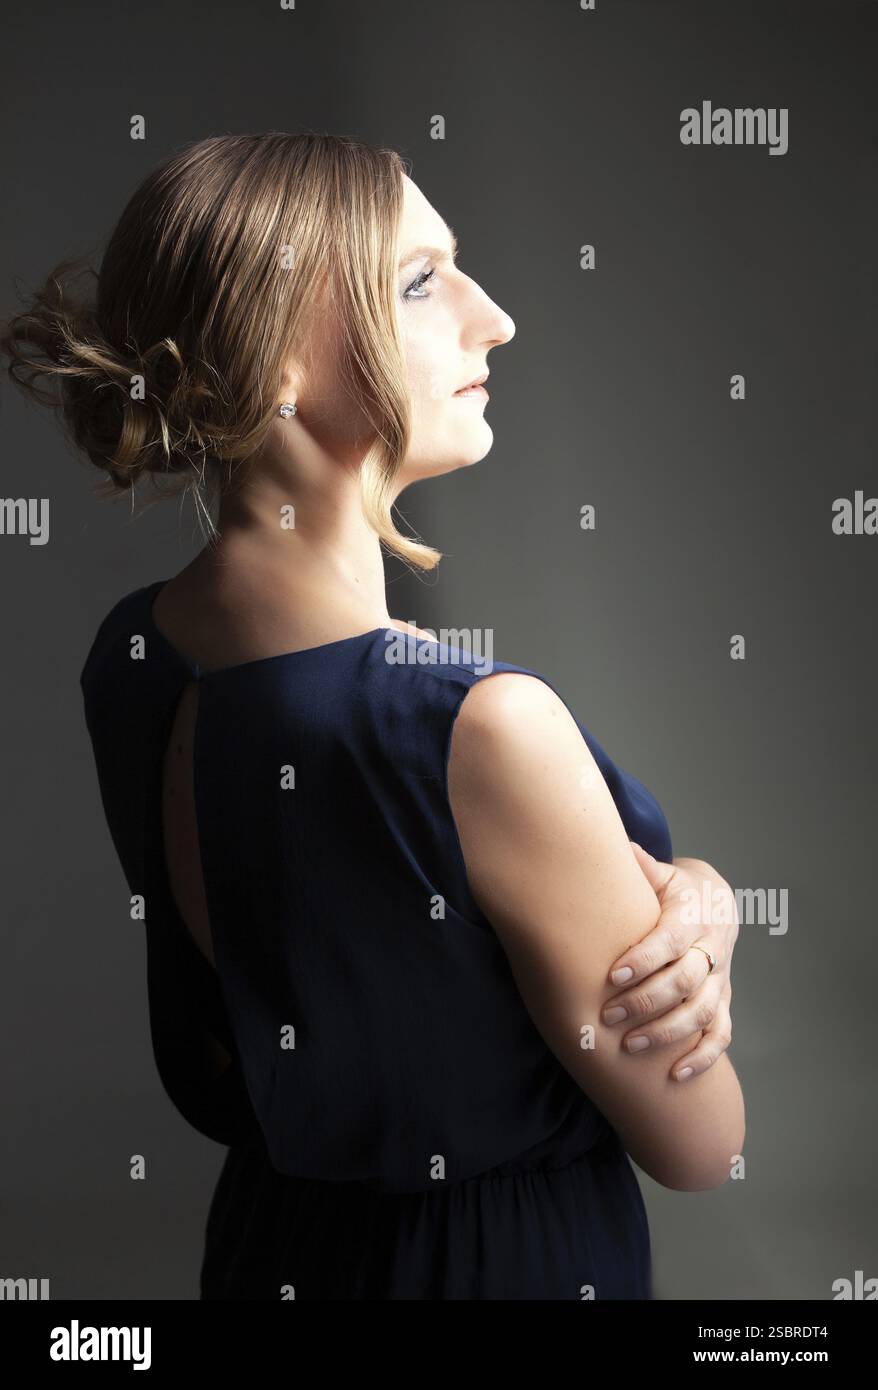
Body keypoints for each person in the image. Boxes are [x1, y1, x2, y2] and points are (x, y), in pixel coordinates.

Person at [1, 130, 744, 1300]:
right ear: (268, 359)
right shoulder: (485, 730)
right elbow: (701, 1144)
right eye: (417, 280)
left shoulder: (133, 659)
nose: (490, 315)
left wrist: (682, 881)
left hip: (269, 1258)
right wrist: (688, 906)